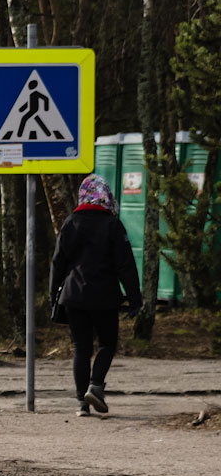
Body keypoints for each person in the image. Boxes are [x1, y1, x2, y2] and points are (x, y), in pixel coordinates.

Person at [48, 174, 142, 417]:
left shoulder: (70, 222)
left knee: (81, 348)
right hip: (104, 296)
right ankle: (96, 385)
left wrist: (53, 295)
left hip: (74, 295)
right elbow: (126, 265)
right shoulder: (112, 225)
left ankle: (82, 404)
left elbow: (58, 263)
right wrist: (134, 299)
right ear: (106, 197)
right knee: (107, 344)